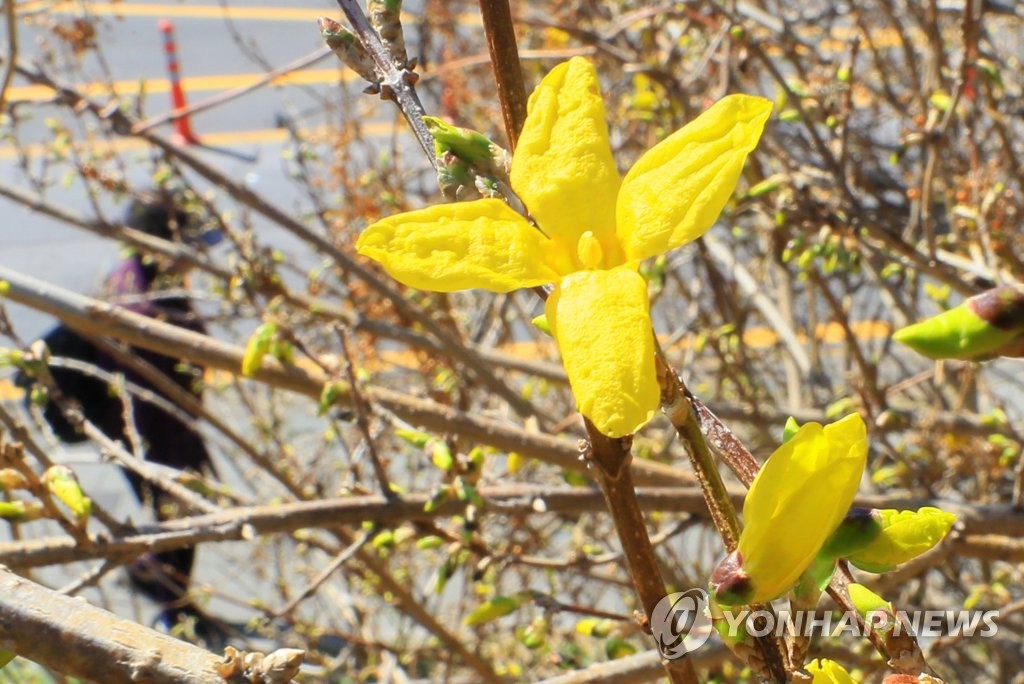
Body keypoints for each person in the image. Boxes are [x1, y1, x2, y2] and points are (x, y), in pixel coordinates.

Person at [16, 190, 222, 643]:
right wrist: (172, 460)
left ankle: (162, 587)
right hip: (155, 441)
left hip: (149, 433)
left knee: (175, 525)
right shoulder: (146, 312)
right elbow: (150, 401)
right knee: (179, 524)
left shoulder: (130, 281)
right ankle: (171, 606)